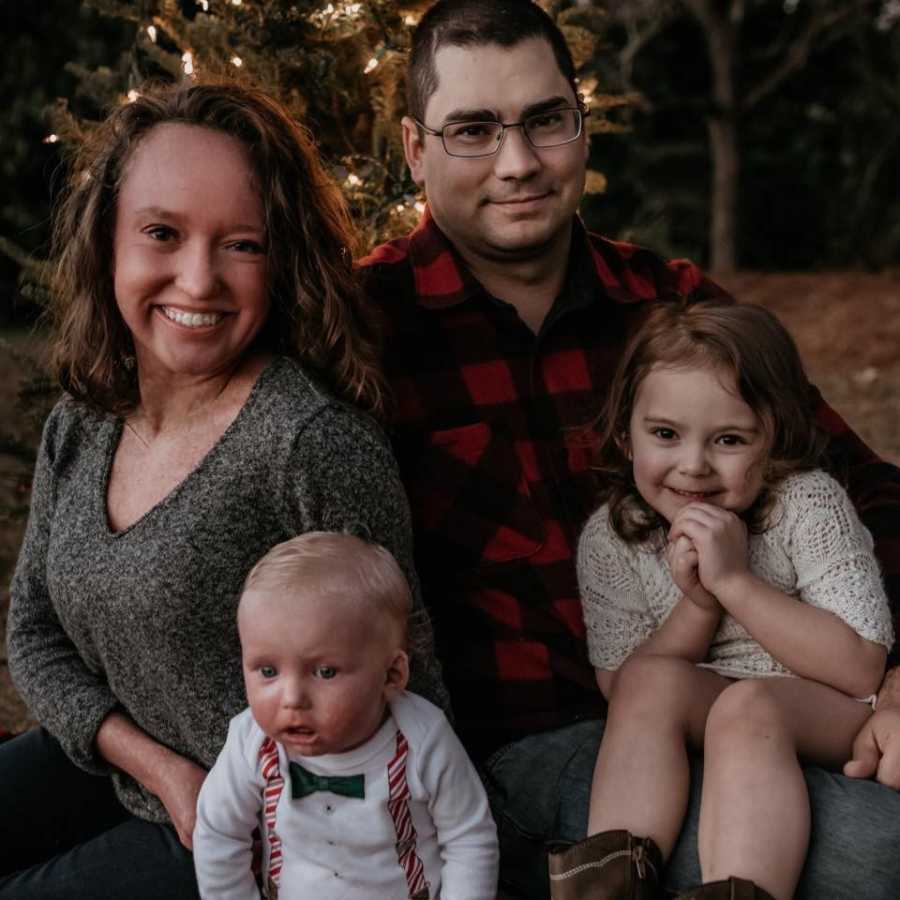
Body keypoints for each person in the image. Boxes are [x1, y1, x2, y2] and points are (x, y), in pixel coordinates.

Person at [358, 1, 900, 896]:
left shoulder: (670, 308)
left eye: (546, 120)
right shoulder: (366, 332)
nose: (520, 162)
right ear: (415, 149)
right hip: (532, 748)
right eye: (474, 130)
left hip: (757, 697)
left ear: (582, 119)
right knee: (879, 850)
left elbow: (862, 487)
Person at [1, 81, 444, 899]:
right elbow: (32, 632)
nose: (198, 280)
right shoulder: (86, 418)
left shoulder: (309, 444)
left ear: (283, 261)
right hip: (137, 771)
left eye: (242, 244)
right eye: (162, 233)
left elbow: (410, 686)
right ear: (108, 242)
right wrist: (157, 766)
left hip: (261, 829)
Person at [552, 300, 894, 899]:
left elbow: (860, 665)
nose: (693, 466)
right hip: (703, 698)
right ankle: (607, 886)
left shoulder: (807, 506)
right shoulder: (612, 537)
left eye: (729, 439)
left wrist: (735, 583)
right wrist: (700, 605)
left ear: (774, 438)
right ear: (626, 434)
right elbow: (622, 687)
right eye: (664, 434)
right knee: (650, 682)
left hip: (825, 710)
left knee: (747, 707)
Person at [194, 532, 498, 899]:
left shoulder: (423, 738)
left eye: (325, 672)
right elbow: (218, 832)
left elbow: (469, 838)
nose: (292, 699)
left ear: (391, 675)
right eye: (268, 671)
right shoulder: (251, 743)